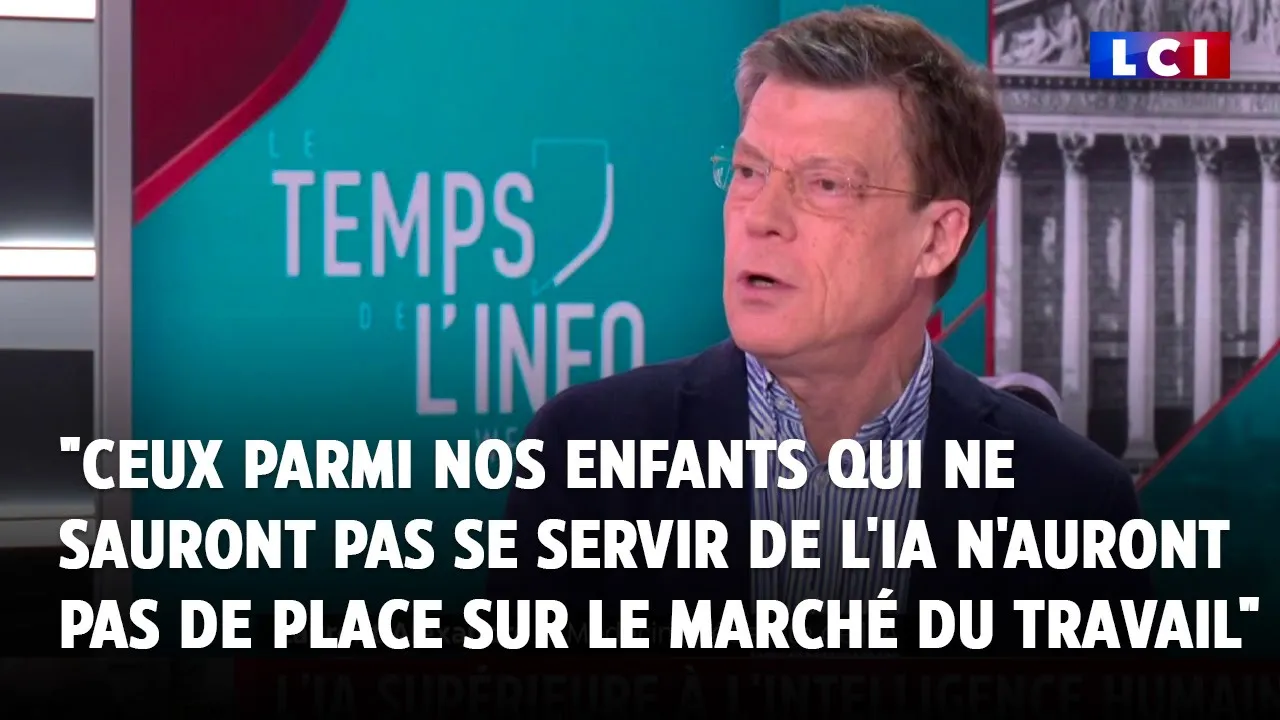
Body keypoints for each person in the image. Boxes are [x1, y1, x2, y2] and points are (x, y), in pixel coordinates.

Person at [489, 7, 1153, 654]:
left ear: (935, 239)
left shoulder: (1072, 505)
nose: (761, 217)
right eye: (748, 172)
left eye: (826, 184)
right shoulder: (586, 455)